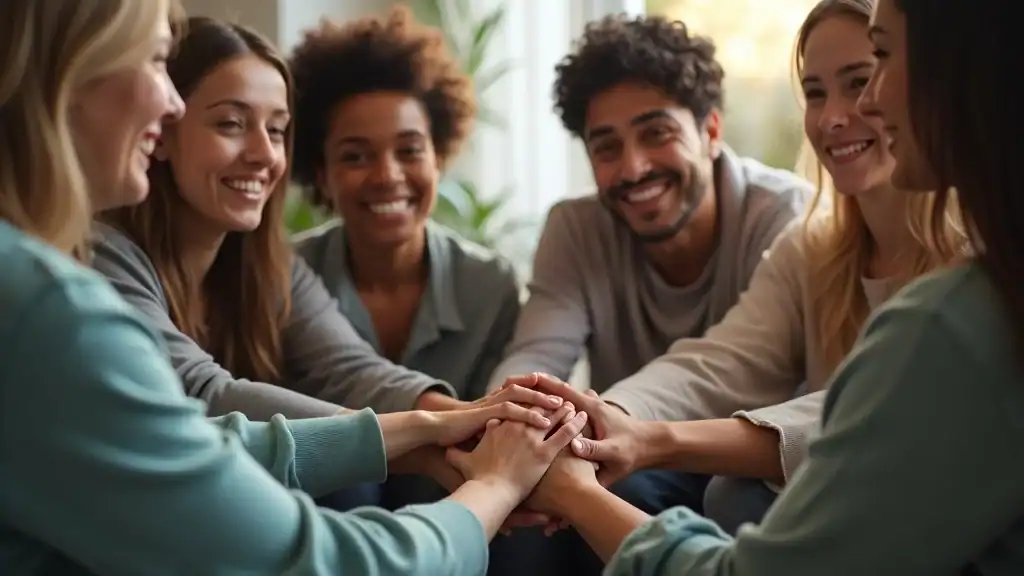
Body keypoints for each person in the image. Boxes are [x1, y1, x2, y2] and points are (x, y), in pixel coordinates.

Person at [0, 1, 589, 575]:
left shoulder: (266, 264)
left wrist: (449, 424)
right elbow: (207, 400)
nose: (169, 101)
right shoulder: (61, 298)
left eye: (277, 129)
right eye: (230, 122)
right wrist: (489, 476)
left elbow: (343, 372)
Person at [518, 0, 1024, 573]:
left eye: (870, 69)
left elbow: (856, 416)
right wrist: (589, 419)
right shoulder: (817, 247)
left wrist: (585, 480)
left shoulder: (951, 313)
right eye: (813, 92)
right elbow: (723, 361)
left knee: (725, 495)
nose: (849, 110)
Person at [486, 14, 811, 400]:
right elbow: (536, 355)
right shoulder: (576, 229)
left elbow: (747, 373)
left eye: (656, 134)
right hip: (623, 453)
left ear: (710, 131)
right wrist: (510, 413)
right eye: (607, 147)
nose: (633, 168)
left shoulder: (787, 216)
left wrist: (615, 424)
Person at [286, 7, 523, 511]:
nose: (387, 175)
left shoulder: (489, 285)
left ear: (439, 157)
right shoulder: (285, 276)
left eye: (409, 150)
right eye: (355, 155)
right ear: (321, 173)